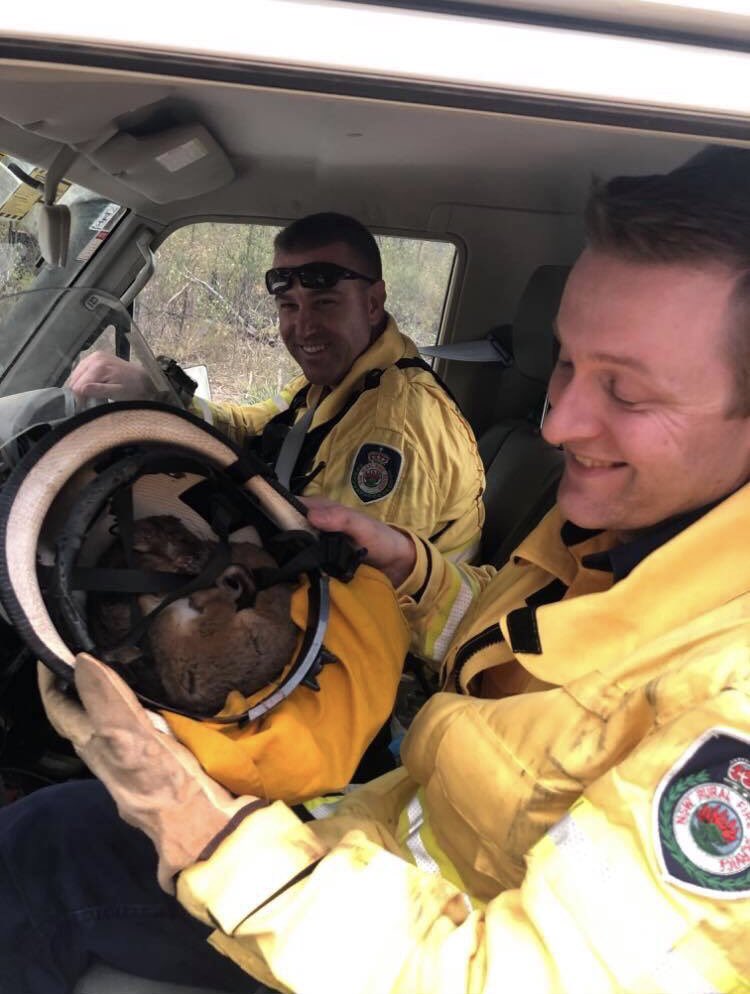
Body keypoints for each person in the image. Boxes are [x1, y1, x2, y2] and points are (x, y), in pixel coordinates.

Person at [5, 144, 750, 993]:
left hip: (387, 936)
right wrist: (413, 569)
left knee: (41, 862)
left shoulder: (729, 714)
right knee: (56, 829)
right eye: (569, 363)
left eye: (627, 392)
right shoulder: (620, 536)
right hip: (375, 847)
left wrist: (211, 839)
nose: (559, 423)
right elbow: (532, 658)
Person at [69, 212, 485, 565]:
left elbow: (345, 579)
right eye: (289, 307)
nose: (303, 328)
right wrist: (156, 392)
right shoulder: (335, 382)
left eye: (325, 303)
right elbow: (252, 427)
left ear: (373, 303)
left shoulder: (396, 426)